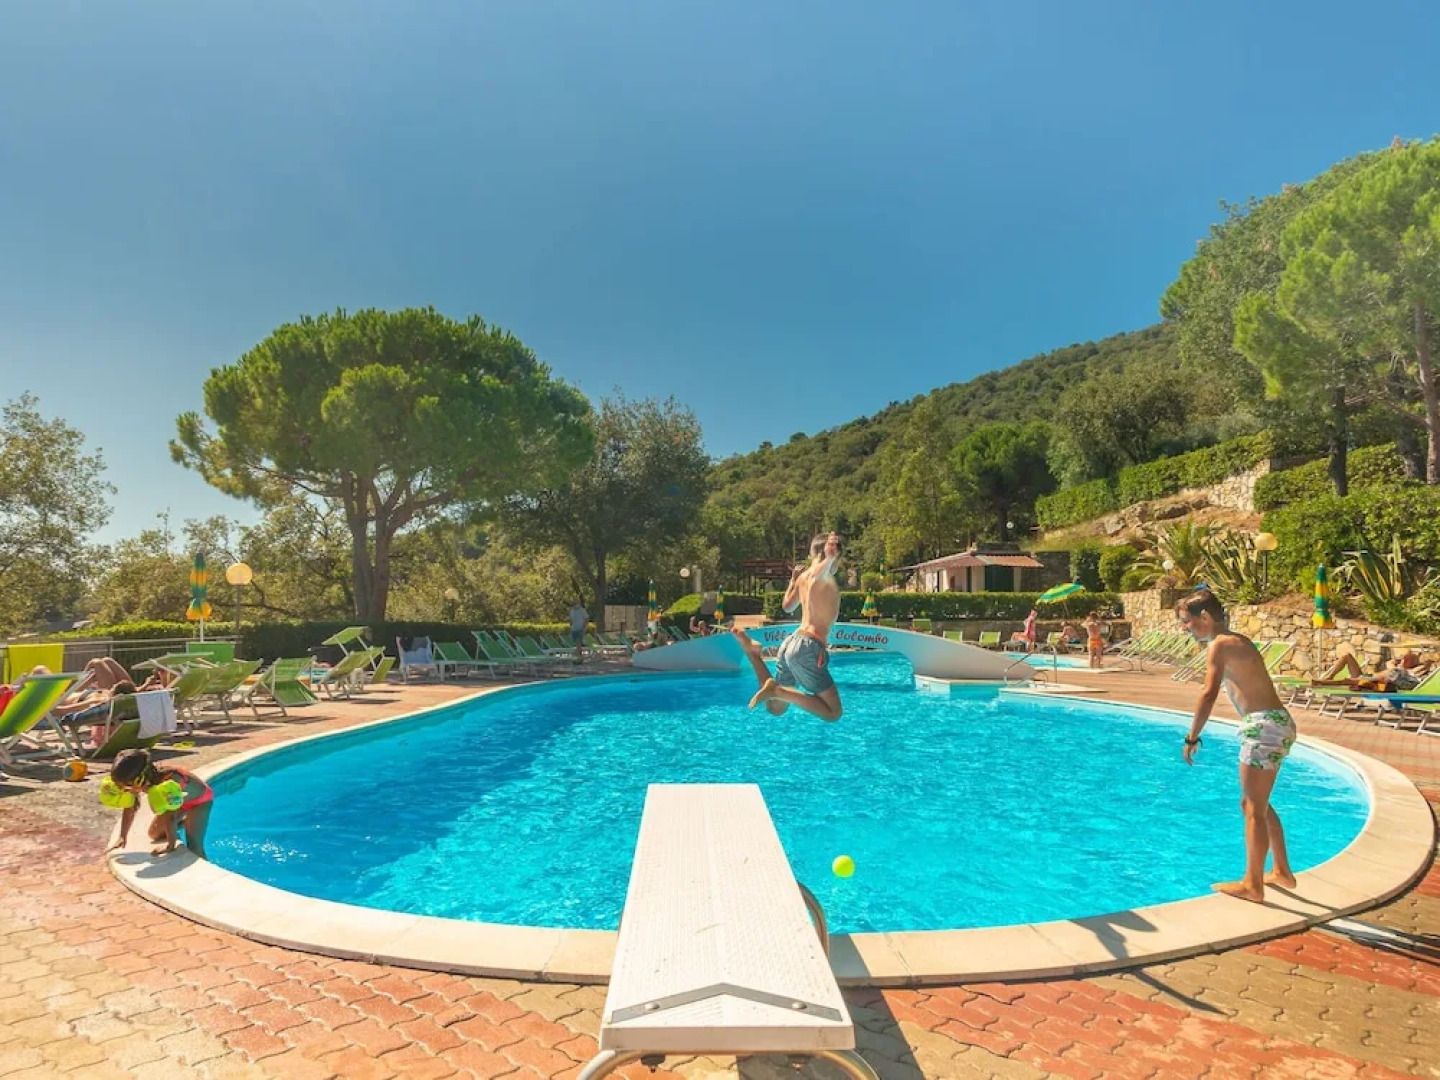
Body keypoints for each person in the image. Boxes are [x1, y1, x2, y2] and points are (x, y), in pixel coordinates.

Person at [1178, 588, 1296, 904]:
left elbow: (1207, 693)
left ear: (1204, 617)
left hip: (1262, 727)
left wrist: (1192, 737)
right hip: (1276, 723)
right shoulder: (1239, 640)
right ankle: (1282, 871)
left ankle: (1252, 885)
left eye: (1187, 621)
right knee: (1258, 802)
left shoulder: (1219, 645)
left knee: (1252, 807)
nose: (1185, 628)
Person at [733, 532, 844, 722]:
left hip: (791, 644)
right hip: (808, 648)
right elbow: (819, 574)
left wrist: (793, 581)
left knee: (776, 708)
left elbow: (787, 606)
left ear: (810, 554)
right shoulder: (822, 575)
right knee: (833, 713)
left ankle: (753, 654)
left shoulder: (803, 579)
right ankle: (777, 690)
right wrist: (830, 558)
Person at [102, 748, 213, 859]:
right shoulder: (140, 781)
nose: (122, 790)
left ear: (139, 779)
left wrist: (170, 845)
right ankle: (188, 822)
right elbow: (130, 805)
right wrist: (122, 836)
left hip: (198, 802)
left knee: (194, 846)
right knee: (154, 834)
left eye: (124, 787)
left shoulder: (166, 784)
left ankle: (194, 825)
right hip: (177, 802)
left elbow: (170, 817)